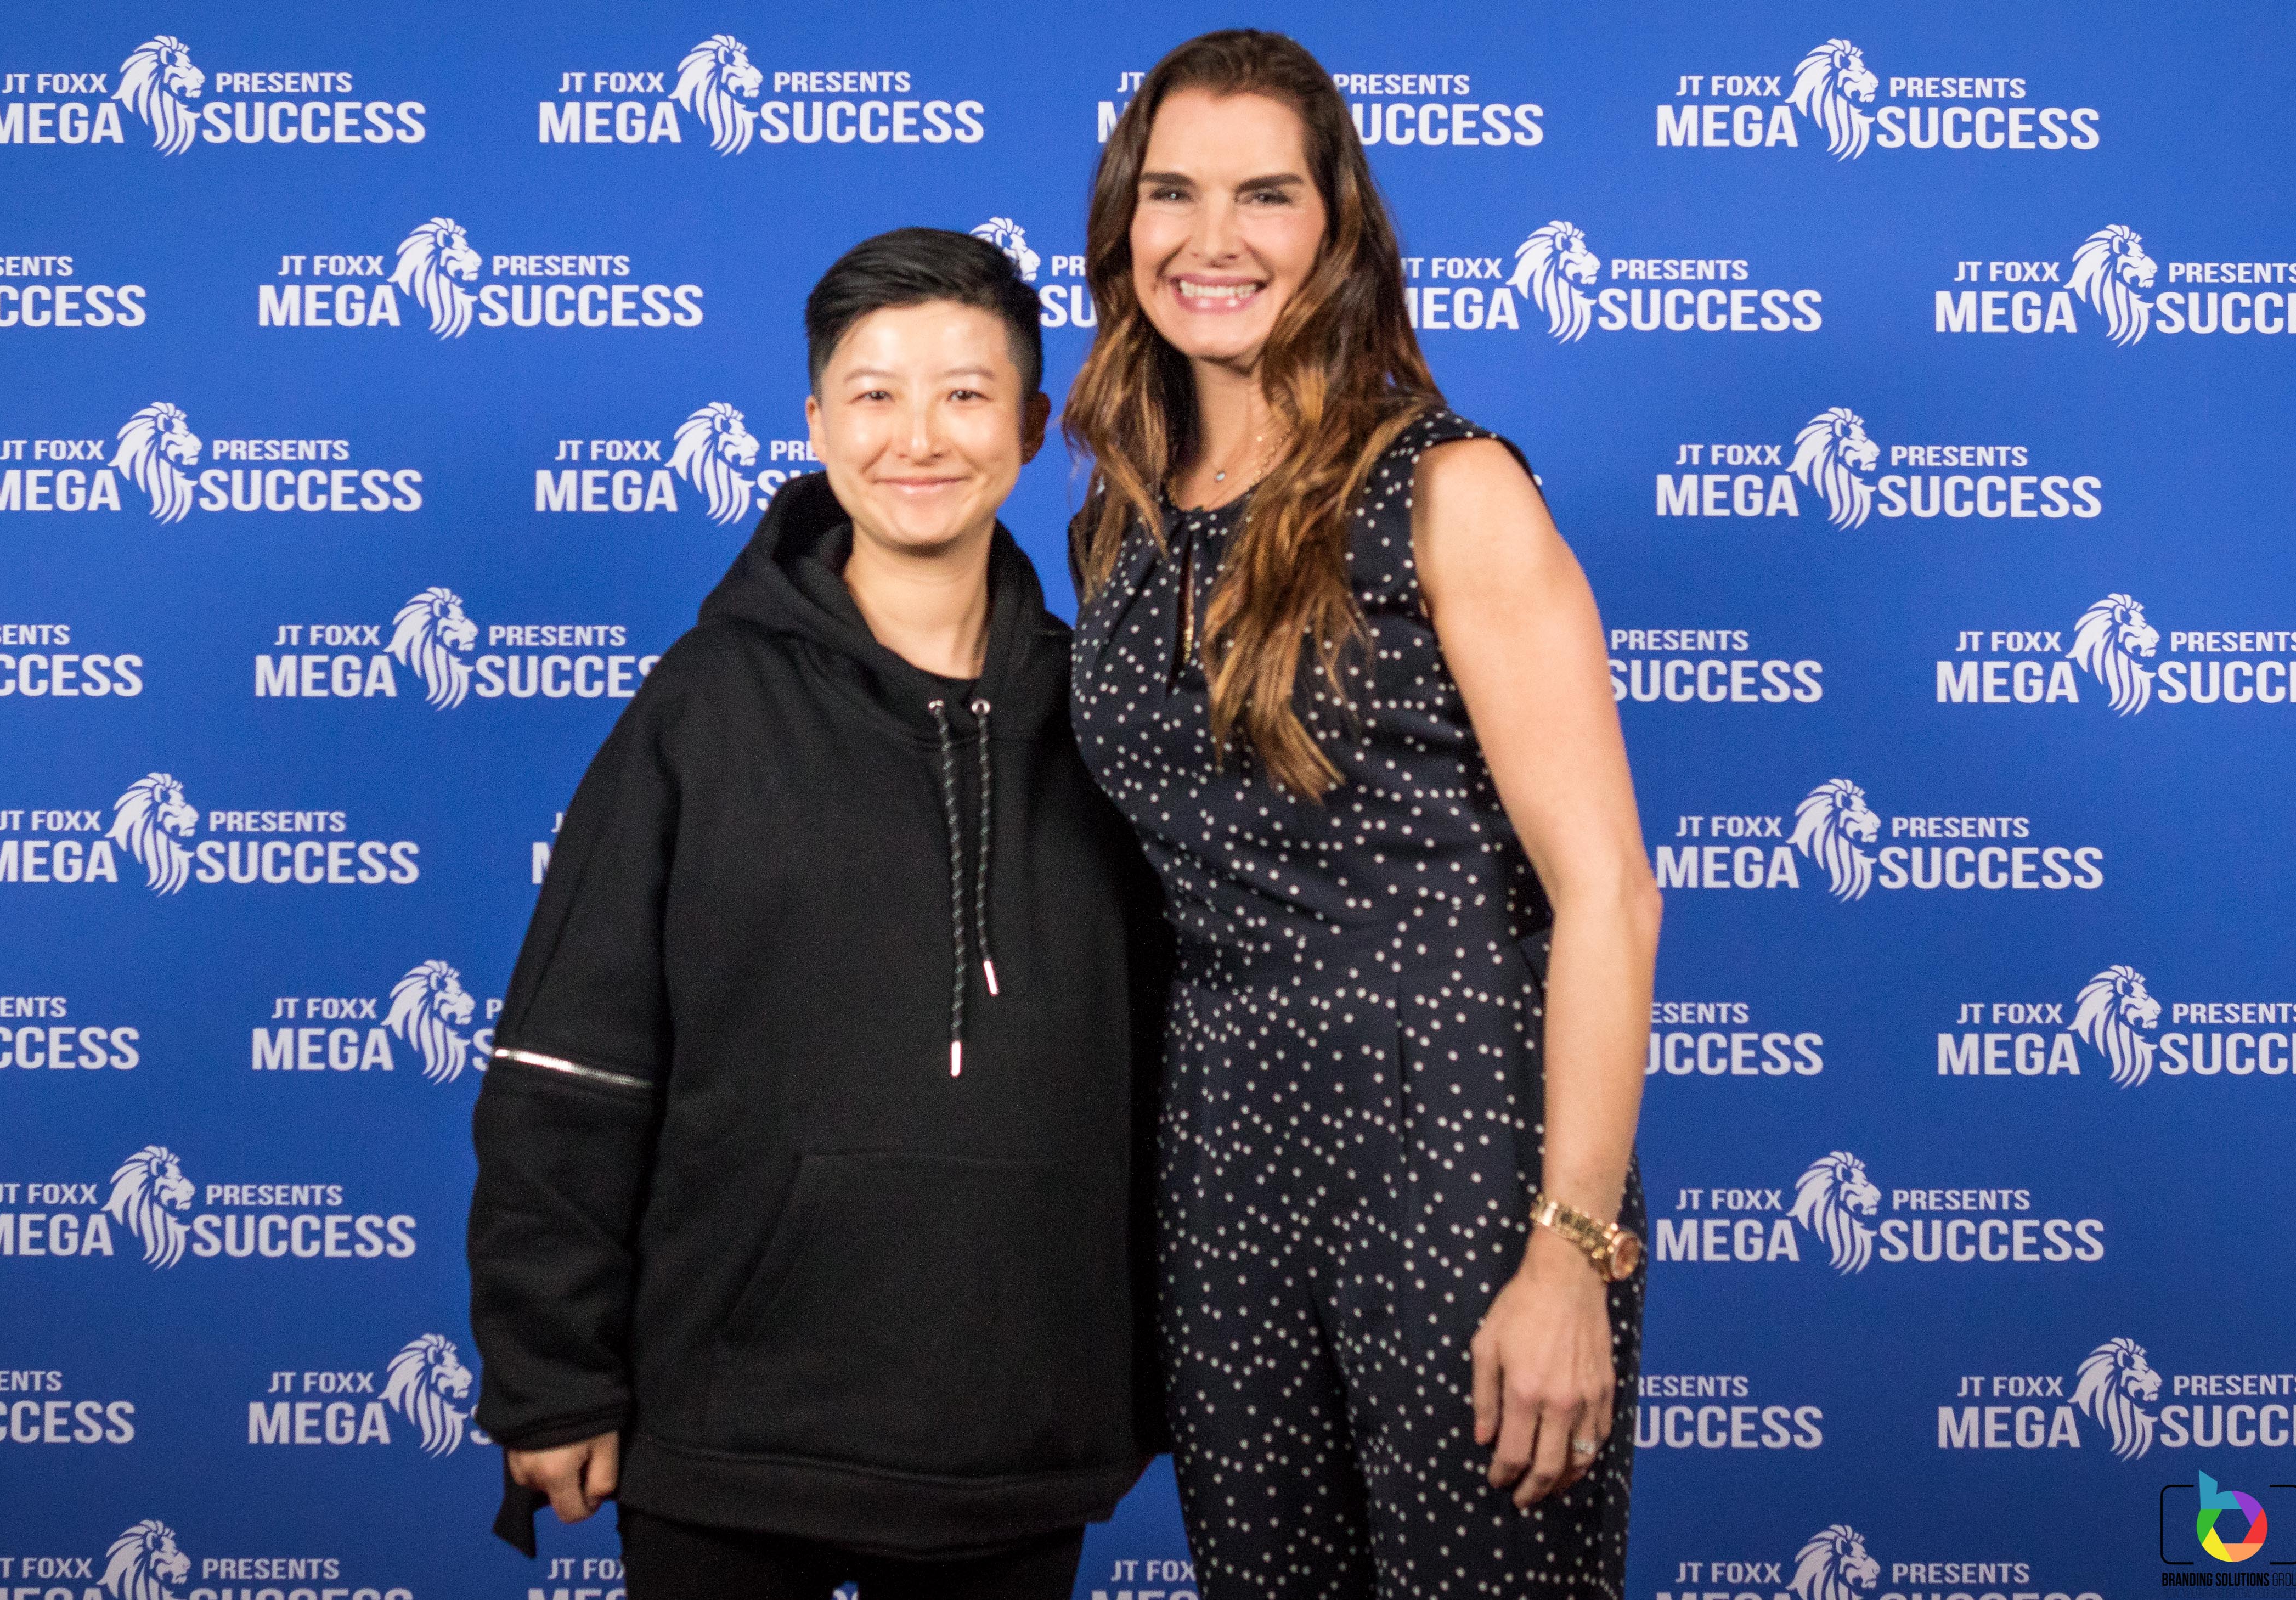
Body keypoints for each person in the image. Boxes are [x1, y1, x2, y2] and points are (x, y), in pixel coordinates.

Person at [468, 228, 1162, 1600]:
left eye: (966, 394)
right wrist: (550, 1377)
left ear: (1033, 427)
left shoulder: (1110, 721)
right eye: (875, 394)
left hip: (1012, 1434)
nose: (920, 437)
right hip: (728, 1427)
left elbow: (1180, 1075)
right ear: (816, 425)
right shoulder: (703, 707)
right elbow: (569, 1066)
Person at [1064, 31, 1657, 1600]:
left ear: (1337, 227)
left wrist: (1570, 1248)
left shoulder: (1450, 489)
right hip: (1221, 1163)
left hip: (1457, 1142)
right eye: (1173, 193)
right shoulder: (1118, 525)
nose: (1214, 239)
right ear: (1123, 222)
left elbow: (1607, 892)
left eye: (1266, 194)